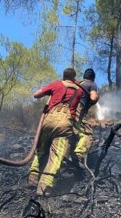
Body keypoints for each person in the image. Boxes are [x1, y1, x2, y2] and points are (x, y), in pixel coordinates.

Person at [28, 68, 83, 196]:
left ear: (63, 76)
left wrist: (50, 92)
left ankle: (32, 179)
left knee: (41, 150)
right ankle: (44, 187)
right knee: (56, 156)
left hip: (48, 120)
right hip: (65, 124)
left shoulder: (56, 84)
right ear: (74, 77)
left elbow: (36, 95)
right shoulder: (79, 90)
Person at [72, 68, 99, 167]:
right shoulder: (91, 84)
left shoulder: (77, 84)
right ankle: (78, 155)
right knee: (88, 134)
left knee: (72, 134)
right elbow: (93, 98)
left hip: (64, 111)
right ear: (93, 78)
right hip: (77, 111)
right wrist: (96, 97)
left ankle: (69, 156)